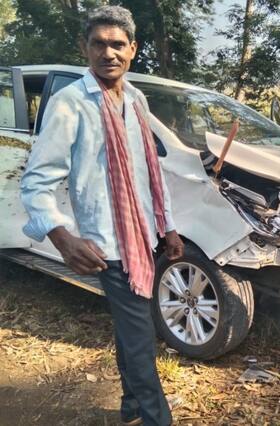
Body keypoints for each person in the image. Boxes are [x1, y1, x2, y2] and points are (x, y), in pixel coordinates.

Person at [20, 6, 184, 425]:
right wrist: (62, 238)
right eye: (98, 43)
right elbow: (36, 181)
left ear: (133, 49)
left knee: (133, 329)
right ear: (84, 47)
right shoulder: (71, 103)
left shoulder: (136, 99)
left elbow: (148, 170)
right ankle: (156, 417)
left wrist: (168, 227)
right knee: (141, 336)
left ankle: (132, 405)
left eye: (117, 44)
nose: (108, 53)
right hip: (106, 244)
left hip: (142, 236)